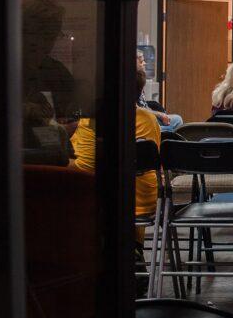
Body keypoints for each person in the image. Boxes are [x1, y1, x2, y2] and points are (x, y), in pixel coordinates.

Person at [70, 66, 161, 220]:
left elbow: (85, 166)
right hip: (145, 200)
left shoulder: (91, 120)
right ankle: (136, 242)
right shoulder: (148, 119)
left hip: (104, 200)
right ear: (139, 92)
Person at [136, 50, 183, 132]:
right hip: (142, 120)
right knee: (174, 129)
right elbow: (139, 109)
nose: (144, 63)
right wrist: (159, 115)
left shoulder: (140, 79)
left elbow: (144, 106)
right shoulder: (132, 82)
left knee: (177, 119)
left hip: (147, 116)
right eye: (141, 61)